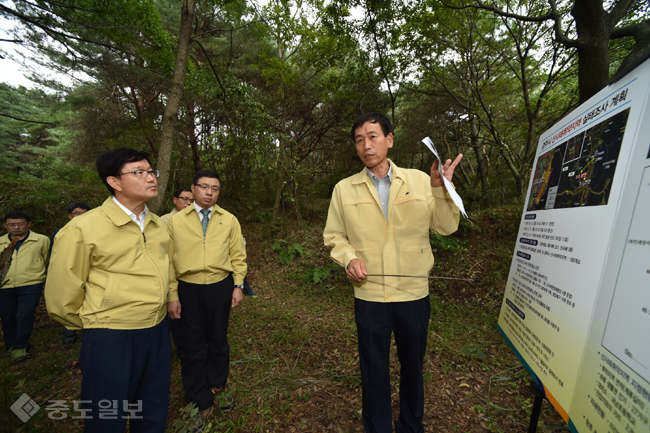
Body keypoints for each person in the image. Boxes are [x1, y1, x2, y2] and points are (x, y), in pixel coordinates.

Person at [323, 113, 463, 433]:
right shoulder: (344, 189)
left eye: (373, 136)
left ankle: (411, 425)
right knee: (373, 368)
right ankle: (378, 427)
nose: (366, 145)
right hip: (370, 294)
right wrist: (348, 259)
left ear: (389, 139)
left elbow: (445, 226)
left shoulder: (419, 180)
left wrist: (442, 189)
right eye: (359, 139)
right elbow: (334, 236)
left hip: (413, 294)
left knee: (412, 367)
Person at [45, 148, 173, 433]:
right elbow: (61, 295)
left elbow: (167, 267)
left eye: (151, 171)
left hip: (156, 328)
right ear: (114, 182)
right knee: (108, 414)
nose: (150, 177)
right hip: (110, 336)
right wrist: (97, 322)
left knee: (152, 408)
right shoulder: (83, 228)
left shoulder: (158, 225)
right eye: (139, 172)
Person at [166, 170, 247, 424]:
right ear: (194, 189)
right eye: (204, 187)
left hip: (219, 286)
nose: (209, 192)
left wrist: (238, 285)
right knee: (191, 343)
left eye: (215, 188)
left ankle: (217, 386)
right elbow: (166, 260)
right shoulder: (174, 221)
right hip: (186, 287)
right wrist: (171, 294)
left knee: (218, 338)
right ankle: (197, 398)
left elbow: (238, 255)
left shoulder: (229, 220)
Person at [0, 211, 50, 363]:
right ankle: (11, 345)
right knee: (7, 317)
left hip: (31, 283)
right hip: (4, 285)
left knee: (24, 314)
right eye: (11, 225)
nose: (16, 227)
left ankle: (20, 346)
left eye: (20, 224)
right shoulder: (1, 241)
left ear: (29, 224)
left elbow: (48, 260)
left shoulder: (41, 240)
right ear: (5, 225)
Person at [50, 202, 91, 345]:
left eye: (84, 213)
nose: (81, 216)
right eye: (77, 213)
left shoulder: (95, 232)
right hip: (68, 274)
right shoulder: (60, 232)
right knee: (68, 300)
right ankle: (69, 335)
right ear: (70, 216)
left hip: (89, 276)